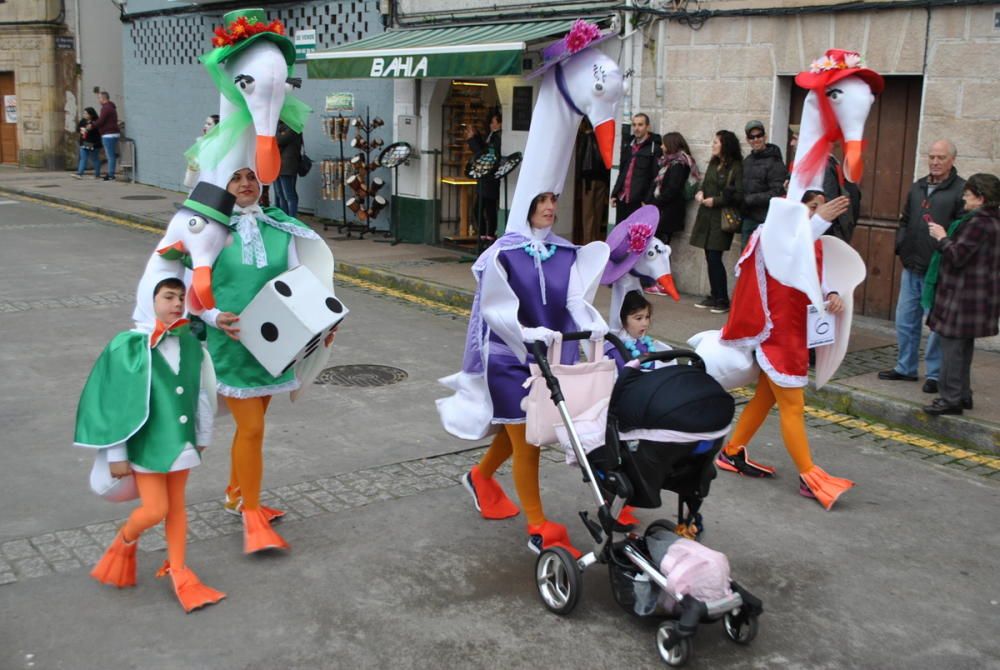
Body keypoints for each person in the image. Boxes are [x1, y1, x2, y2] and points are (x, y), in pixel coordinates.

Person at [441, 191, 609, 558]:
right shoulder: (502, 254)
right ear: (526, 208)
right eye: (541, 201)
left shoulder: (565, 253)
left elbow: (573, 301)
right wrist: (526, 333)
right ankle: (537, 525)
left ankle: (479, 476)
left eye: (553, 201)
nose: (549, 208)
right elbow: (495, 307)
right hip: (508, 357)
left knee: (523, 429)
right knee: (528, 441)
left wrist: (593, 325)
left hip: (547, 359)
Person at [200, 166, 335, 553]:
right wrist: (212, 317)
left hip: (276, 344)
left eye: (252, 178)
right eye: (237, 178)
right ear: (222, 186)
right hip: (231, 340)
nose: (246, 185)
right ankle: (252, 512)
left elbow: (301, 281)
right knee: (253, 429)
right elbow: (191, 285)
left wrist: (324, 322)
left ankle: (234, 494)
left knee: (252, 425)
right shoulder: (208, 231)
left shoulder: (282, 228)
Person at [74, 277, 225, 612]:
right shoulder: (130, 346)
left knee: (177, 507)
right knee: (155, 510)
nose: (176, 303)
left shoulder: (191, 344)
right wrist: (117, 453)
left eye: (181, 297)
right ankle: (125, 537)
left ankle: (180, 569)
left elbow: (200, 392)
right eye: (168, 296)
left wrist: (202, 436)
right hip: (147, 446)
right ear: (149, 299)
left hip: (182, 443)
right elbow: (116, 403)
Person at [715, 191, 856, 510]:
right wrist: (820, 220)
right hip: (777, 333)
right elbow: (789, 253)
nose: (818, 212)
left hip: (793, 333)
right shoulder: (769, 234)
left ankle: (733, 451)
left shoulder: (811, 239)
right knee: (792, 405)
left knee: (766, 397)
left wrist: (831, 293)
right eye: (811, 206)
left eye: (820, 207)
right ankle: (809, 475)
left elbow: (812, 275)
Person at [878, 139, 965, 394]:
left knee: (936, 325)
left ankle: (935, 374)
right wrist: (901, 245)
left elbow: (960, 229)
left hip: (938, 269)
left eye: (941, 157)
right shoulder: (917, 187)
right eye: (932, 157)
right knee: (905, 320)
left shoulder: (960, 191)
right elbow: (905, 219)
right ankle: (906, 368)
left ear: (952, 160)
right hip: (911, 265)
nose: (935, 162)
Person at [922, 173, 1000, 415]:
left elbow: (957, 256)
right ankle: (963, 394)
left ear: (981, 198)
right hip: (977, 296)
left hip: (962, 296)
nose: (964, 198)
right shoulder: (994, 221)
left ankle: (951, 399)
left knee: (952, 349)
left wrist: (942, 237)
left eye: (968, 194)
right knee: (963, 349)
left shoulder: (978, 223)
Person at [689, 130, 743, 314]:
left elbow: (737, 193)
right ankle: (714, 295)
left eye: (716, 142)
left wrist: (716, 201)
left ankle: (722, 299)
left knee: (714, 257)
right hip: (706, 216)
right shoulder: (713, 163)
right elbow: (706, 184)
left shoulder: (736, 166)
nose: (712, 145)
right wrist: (701, 193)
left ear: (725, 145)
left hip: (721, 218)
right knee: (709, 256)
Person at [740, 120, 786, 249]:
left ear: (764, 137)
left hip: (766, 220)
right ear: (747, 140)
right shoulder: (747, 161)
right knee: (745, 262)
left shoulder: (775, 162)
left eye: (759, 135)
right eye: (752, 137)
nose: (756, 139)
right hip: (748, 219)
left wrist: (749, 199)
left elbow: (778, 192)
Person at [647, 131, 698, 246]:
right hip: (661, 211)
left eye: (664, 144)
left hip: (668, 213)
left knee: (661, 249)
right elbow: (656, 183)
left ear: (671, 145)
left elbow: (672, 190)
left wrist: (653, 204)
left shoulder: (679, 164)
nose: (661, 147)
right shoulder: (667, 162)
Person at [611, 113, 661, 224]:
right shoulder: (628, 145)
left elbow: (656, 177)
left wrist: (647, 200)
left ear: (647, 127)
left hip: (638, 201)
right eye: (634, 125)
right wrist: (615, 193)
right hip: (622, 198)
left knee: (635, 234)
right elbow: (623, 171)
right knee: (620, 232)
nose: (636, 128)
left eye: (640, 125)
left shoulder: (654, 148)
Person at [604, 290, 670, 371]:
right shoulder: (613, 352)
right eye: (639, 318)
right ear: (621, 319)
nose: (645, 323)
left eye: (647, 317)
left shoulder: (647, 344)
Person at [465, 112, 502, 240]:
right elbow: (484, 149)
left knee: (480, 208)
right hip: (488, 178)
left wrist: (472, 139)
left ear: (499, 123)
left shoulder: (497, 138)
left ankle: (485, 234)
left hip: (489, 177)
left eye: (493, 122)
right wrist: (476, 137)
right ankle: (489, 234)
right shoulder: (492, 136)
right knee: (488, 207)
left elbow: (484, 154)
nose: (491, 125)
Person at [575, 119, 611, 243]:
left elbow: (580, 158)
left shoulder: (586, 137)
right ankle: (595, 241)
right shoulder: (604, 137)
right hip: (602, 178)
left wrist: (578, 178)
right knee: (598, 211)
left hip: (588, 179)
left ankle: (587, 242)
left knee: (588, 213)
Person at [274, 120, 303, 217]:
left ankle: (292, 219)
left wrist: (277, 133)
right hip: (277, 165)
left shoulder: (294, 126)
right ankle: (284, 218)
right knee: (280, 194)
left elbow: (279, 140)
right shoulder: (279, 126)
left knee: (289, 195)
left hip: (288, 166)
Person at [183, 115, 219, 190]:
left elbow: (206, 160)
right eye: (205, 123)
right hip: (200, 177)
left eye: (209, 124)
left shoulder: (216, 143)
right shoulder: (202, 141)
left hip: (210, 178)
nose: (205, 126)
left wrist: (194, 161)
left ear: (216, 127)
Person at [94, 91, 120, 181]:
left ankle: (111, 175)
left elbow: (101, 121)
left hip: (108, 135)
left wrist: (92, 125)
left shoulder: (106, 108)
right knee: (111, 155)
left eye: (99, 98)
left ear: (103, 98)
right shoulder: (112, 107)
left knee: (110, 156)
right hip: (114, 134)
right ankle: (111, 173)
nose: (98, 100)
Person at [73, 107, 101, 179]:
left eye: (86, 113)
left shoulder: (96, 121)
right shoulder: (83, 121)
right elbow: (77, 128)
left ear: (91, 114)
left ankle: (97, 174)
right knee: (83, 158)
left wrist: (89, 129)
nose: (84, 115)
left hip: (93, 143)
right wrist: (81, 129)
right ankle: (80, 173)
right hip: (84, 142)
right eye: (84, 113)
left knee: (95, 158)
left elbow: (97, 132)